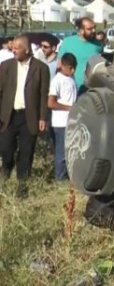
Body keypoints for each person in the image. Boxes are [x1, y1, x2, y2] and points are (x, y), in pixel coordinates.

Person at [0, 35, 50, 198]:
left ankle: (22, 186)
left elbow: (43, 95)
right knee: (6, 149)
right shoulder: (6, 66)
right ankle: (6, 169)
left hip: (29, 116)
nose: (13, 50)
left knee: (26, 152)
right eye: (12, 47)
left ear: (27, 50)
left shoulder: (41, 68)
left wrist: (43, 118)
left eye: (17, 48)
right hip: (8, 115)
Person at [48, 53, 77, 182]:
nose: (73, 71)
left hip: (71, 121)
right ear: (63, 66)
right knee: (61, 153)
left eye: (74, 68)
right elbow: (51, 103)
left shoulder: (71, 78)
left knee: (70, 151)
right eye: (70, 68)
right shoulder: (57, 81)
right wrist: (69, 108)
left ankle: (68, 176)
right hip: (60, 123)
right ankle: (60, 179)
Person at [57, 17, 103, 95]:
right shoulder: (68, 42)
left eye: (94, 28)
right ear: (81, 30)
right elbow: (59, 65)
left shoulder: (98, 45)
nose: (94, 31)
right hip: (70, 89)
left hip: (91, 90)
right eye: (89, 29)